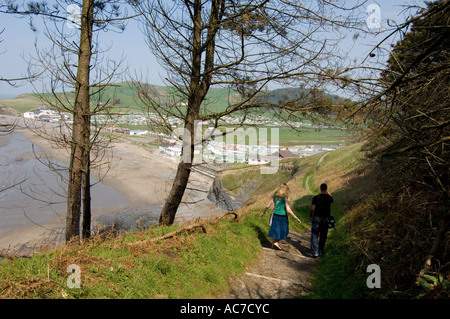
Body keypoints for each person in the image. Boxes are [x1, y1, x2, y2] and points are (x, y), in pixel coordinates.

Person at [261, 183, 301, 250]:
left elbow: (268, 205)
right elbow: (288, 210)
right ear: (286, 190)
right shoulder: (285, 198)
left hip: (275, 216)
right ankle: (276, 243)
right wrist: (296, 218)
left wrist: (263, 212)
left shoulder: (274, 195)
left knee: (275, 230)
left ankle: (273, 244)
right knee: (284, 230)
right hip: (283, 217)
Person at [309, 183, 334, 257]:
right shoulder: (329, 198)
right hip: (325, 219)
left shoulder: (316, 198)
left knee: (314, 234)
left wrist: (310, 214)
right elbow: (333, 199)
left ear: (320, 189)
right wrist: (328, 192)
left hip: (316, 217)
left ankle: (315, 252)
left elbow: (312, 208)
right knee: (323, 235)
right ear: (326, 189)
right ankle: (320, 251)